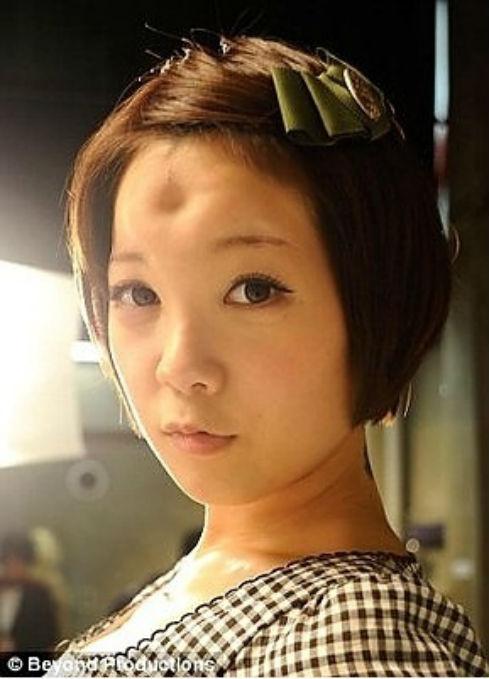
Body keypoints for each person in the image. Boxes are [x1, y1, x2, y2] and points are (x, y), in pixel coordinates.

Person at [46, 35, 489, 676]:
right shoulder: (214, 582)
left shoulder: (352, 641)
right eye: (137, 293)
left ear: (382, 304)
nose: (179, 365)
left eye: (253, 290)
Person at [0, 531, 60, 652]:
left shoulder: (40, 594)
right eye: (9, 561)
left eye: (18, 562)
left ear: (27, 563)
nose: (13, 567)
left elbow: (49, 637)